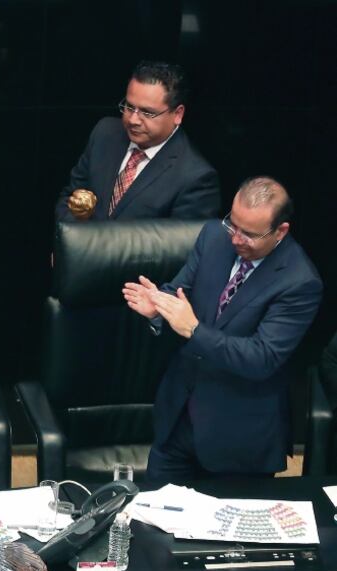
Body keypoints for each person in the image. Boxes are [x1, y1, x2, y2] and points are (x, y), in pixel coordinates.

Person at [123, 177, 322, 483]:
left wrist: (193, 329)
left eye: (250, 234)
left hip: (238, 438)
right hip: (178, 419)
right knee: (152, 523)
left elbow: (261, 358)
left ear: (280, 232)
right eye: (234, 224)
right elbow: (179, 291)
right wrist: (157, 308)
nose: (236, 239)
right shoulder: (214, 235)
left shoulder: (299, 281)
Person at [56, 60, 220, 223]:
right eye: (129, 107)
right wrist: (71, 243)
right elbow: (71, 197)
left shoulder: (195, 177)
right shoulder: (105, 133)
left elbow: (177, 246)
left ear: (177, 114)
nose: (133, 120)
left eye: (147, 113)